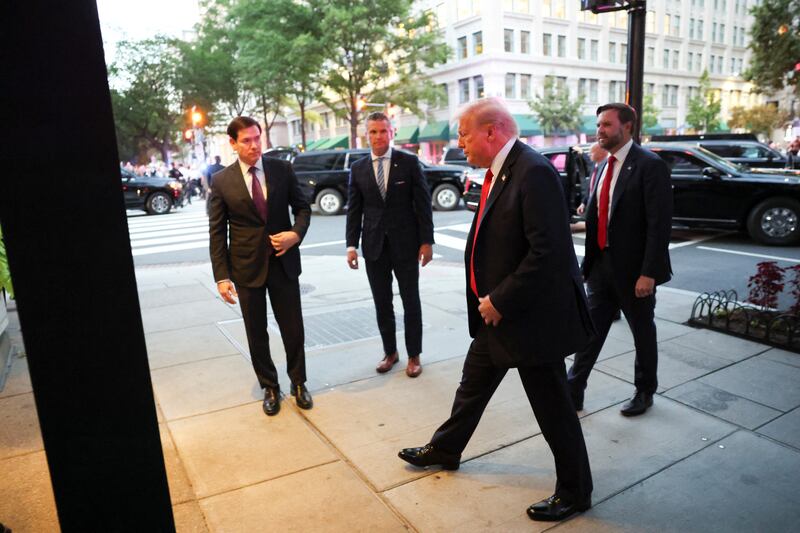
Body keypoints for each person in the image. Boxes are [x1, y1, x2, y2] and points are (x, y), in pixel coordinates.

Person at [398, 98, 594, 522]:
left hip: (528, 320)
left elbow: (550, 253)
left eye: (464, 134)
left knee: (553, 408)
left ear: (491, 131)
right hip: (498, 318)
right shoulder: (501, 171)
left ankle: (576, 491)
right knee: (471, 388)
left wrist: (500, 298)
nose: (460, 143)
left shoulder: (534, 172)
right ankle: (447, 448)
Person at [568, 103, 672, 417]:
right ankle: (574, 389)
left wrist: (649, 273)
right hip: (601, 266)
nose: (599, 130)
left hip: (635, 271)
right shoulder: (602, 165)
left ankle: (644, 391)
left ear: (626, 127)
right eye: (599, 125)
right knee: (590, 331)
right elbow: (602, 216)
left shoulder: (649, 165)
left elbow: (659, 223)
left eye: (606, 125)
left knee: (642, 332)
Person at [209, 116, 313, 416]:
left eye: (257, 138)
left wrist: (295, 234)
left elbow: (303, 208)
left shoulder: (282, 169)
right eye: (247, 141)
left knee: (293, 328)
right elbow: (217, 232)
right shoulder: (222, 181)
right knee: (256, 331)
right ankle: (269, 386)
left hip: (283, 264)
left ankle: (298, 382)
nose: (255, 145)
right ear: (233, 144)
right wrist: (221, 276)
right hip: (246, 268)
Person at [345, 112, 434, 377]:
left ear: (391, 132)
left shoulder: (408, 162)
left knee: (410, 301)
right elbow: (354, 210)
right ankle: (390, 352)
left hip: (406, 244)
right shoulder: (358, 168)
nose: (378, 137)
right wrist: (351, 245)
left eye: (382, 131)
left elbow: (423, 204)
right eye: (373, 132)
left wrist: (426, 241)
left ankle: (414, 355)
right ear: (366, 134)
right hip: (373, 247)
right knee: (382, 303)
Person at [576, 143, 609, 217]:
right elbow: (590, 187)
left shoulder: (608, 168)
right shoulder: (594, 166)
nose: (589, 154)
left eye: (591, 152)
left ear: (601, 153)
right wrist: (584, 203)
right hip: (591, 206)